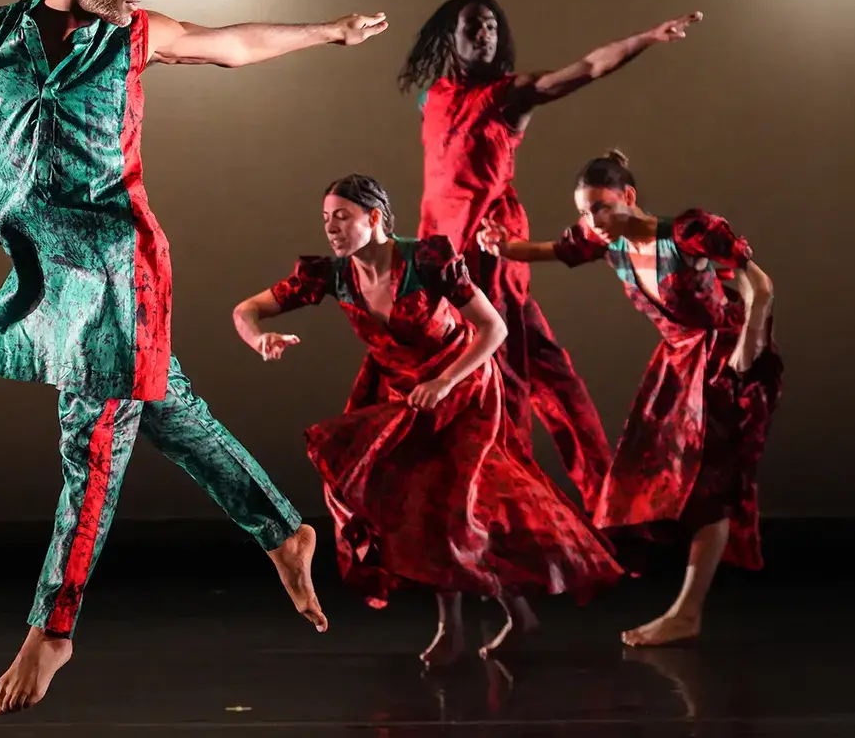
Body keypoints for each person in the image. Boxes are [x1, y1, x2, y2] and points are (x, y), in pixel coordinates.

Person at [0, 0, 388, 715]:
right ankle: (282, 529)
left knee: (90, 439)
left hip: (120, 267)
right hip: (50, 273)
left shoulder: (137, 35)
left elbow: (231, 44)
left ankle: (52, 626)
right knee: (163, 406)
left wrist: (328, 32)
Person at [234, 174, 624, 666]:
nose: (331, 229)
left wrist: (444, 382)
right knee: (419, 509)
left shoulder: (426, 260)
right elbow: (246, 310)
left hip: (462, 387)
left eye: (343, 217)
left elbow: (494, 328)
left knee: (449, 505)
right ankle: (492, 620)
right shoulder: (332, 275)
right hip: (405, 396)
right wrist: (259, 339)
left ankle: (468, 625)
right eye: (326, 219)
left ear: (374, 219)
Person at [397, 0, 703, 514]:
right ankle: (489, 509)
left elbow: (585, 68)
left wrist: (647, 38)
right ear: (451, 35)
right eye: (474, 25)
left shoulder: (511, 96)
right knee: (513, 377)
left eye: (493, 26)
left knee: (511, 382)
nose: (485, 34)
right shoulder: (432, 98)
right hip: (440, 259)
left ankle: (535, 513)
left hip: (491, 253)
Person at [477, 150, 780, 647]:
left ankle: (686, 611)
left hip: (724, 358)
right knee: (645, 480)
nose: (592, 220)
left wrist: (747, 352)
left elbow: (760, 287)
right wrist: (503, 247)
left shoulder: (687, 233)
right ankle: (667, 590)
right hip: (678, 364)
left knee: (713, 487)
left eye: (600, 207)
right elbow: (553, 249)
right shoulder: (606, 241)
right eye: (584, 211)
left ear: (629, 197)